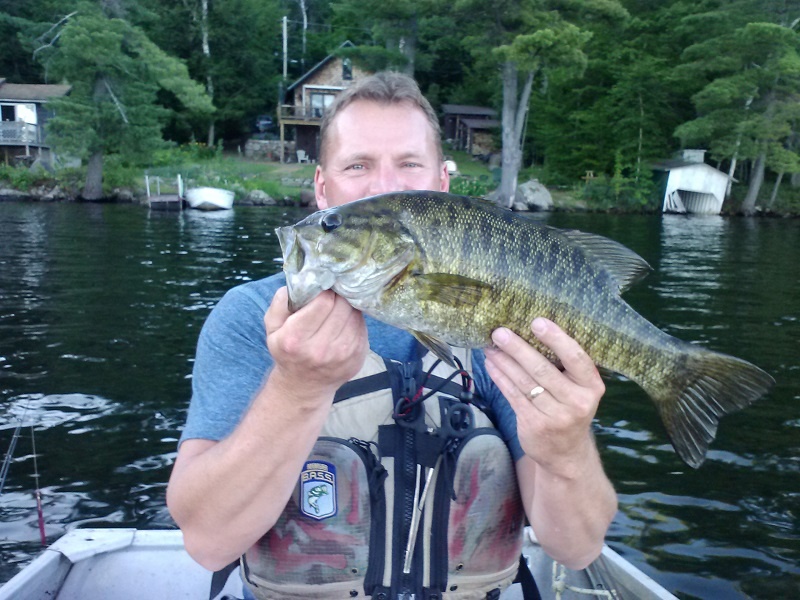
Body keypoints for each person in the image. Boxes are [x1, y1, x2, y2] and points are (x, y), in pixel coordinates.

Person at [167, 71, 617, 600]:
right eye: (357, 166)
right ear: (321, 189)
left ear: (442, 185)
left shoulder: (497, 324)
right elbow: (207, 542)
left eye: (408, 164)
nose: (385, 186)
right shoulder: (251, 318)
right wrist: (296, 389)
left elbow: (579, 548)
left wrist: (566, 451)